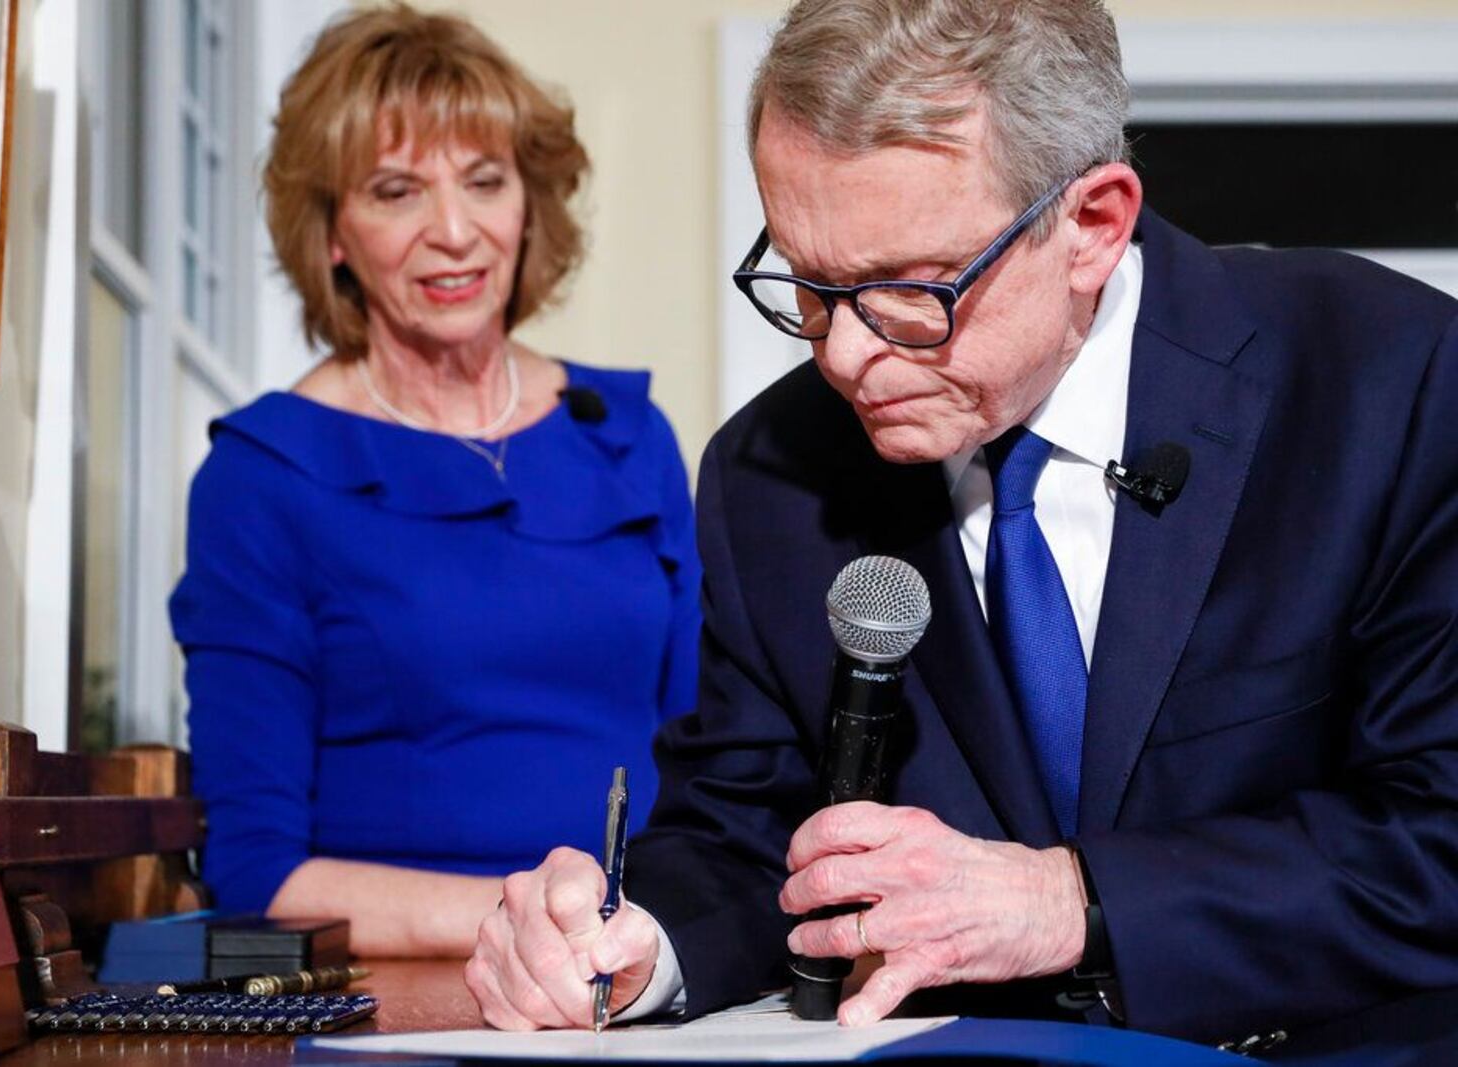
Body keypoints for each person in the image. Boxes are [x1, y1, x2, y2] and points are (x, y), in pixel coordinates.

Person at [465, 0, 1458, 1056]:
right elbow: (746, 832)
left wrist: (1066, 898)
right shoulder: (770, 470)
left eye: (907, 288)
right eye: (807, 284)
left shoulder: (1391, 382)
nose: (843, 354)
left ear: (1092, 224)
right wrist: (638, 940)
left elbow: (1434, 835)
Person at [170, 3, 700, 959]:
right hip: (409, 986)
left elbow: (710, 770)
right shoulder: (262, 477)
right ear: (332, 233)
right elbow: (259, 872)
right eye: (396, 190)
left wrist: (656, 941)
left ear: (527, 204)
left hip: (634, 977)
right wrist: (538, 926)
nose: (453, 231)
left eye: (485, 182)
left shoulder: (631, 440)